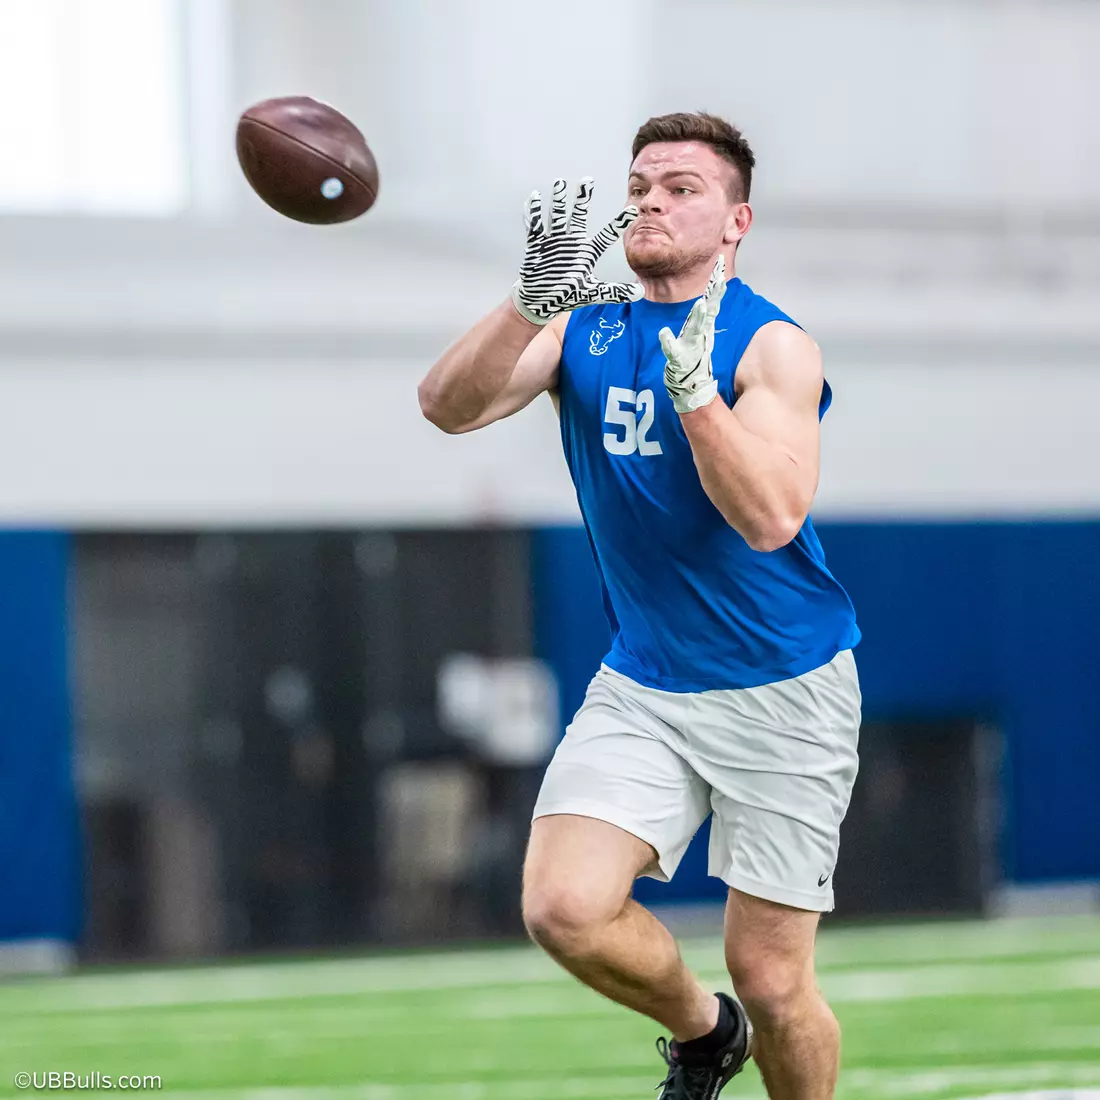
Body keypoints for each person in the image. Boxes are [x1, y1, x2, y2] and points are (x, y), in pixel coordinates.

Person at [418, 111, 862, 1100]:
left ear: (735, 219)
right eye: (639, 183)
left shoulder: (775, 343)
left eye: (681, 187)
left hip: (782, 683)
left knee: (775, 977)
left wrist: (695, 394)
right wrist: (530, 297)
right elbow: (447, 405)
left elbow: (771, 515)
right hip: (646, 679)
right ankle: (704, 1032)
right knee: (562, 908)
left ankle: (748, 1021)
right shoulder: (589, 322)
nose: (651, 199)